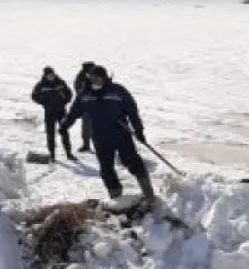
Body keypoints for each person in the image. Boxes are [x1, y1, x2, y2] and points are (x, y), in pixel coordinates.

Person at [61, 65, 155, 201]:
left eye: (98, 78)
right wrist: (65, 125)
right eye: (92, 78)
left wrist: (139, 130)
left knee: (133, 162)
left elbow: (132, 111)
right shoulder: (85, 94)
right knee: (106, 169)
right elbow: (74, 112)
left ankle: (148, 193)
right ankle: (116, 198)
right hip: (100, 137)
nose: (95, 81)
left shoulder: (117, 91)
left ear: (105, 78)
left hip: (121, 134)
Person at [29, 67, 75, 161]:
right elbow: (34, 96)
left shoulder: (60, 82)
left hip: (61, 111)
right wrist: (44, 102)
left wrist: (65, 101)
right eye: (49, 75)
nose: (51, 76)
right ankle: (52, 155)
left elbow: (69, 93)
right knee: (50, 134)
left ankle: (69, 153)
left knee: (64, 132)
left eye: (52, 74)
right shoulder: (41, 85)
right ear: (45, 76)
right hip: (49, 112)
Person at [71, 60, 96, 152]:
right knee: (86, 126)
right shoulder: (81, 78)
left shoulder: (98, 76)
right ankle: (86, 145)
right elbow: (78, 90)